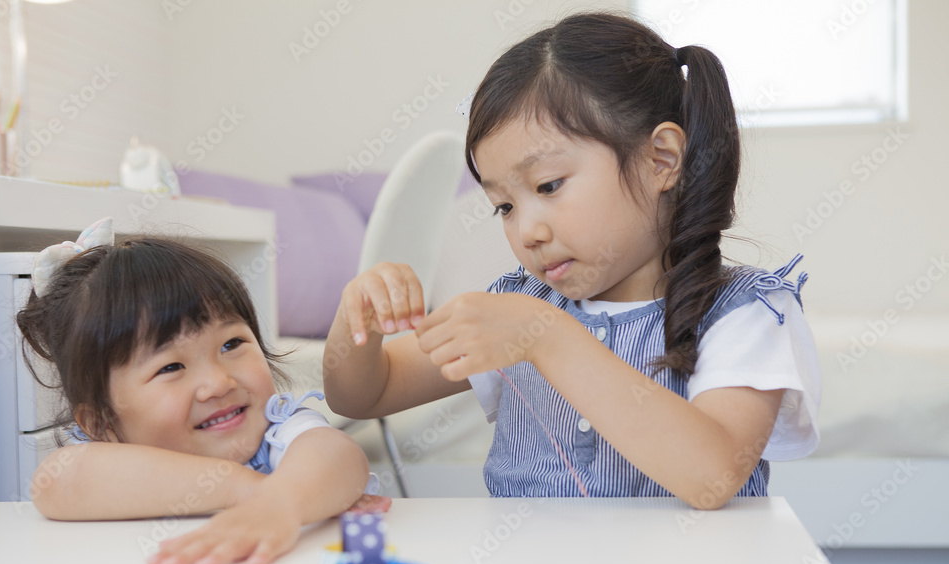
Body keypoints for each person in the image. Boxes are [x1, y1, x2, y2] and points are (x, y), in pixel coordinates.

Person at [323, 12, 820, 507]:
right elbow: (364, 395)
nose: (527, 232)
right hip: (531, 561)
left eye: (548, 186)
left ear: (661, 160)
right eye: (504, 207)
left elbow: (711, 477)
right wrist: (357, 321)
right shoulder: (518, 306)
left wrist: (546, 337)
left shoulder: (742, 313)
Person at [19, 218, 386, 564]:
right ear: (102, 422)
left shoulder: (276, 433)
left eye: (231, 344)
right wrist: (245, 489)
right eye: (171, 367)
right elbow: (54, 481)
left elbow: (337, 454)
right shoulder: (109, 466)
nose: (218, 383)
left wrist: (281, 503)